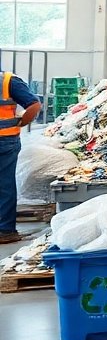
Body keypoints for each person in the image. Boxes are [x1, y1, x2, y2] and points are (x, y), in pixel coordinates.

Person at [1, 71, 43, 244]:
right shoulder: (8, 81)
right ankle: (5, 230)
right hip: (5, 140)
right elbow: (34, 105)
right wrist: (21, 122)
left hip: (5, 142)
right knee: (5, 185)